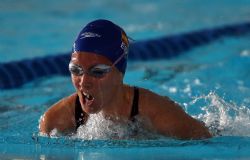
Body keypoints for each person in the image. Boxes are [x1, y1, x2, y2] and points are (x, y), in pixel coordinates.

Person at [39, 19, 212, 140]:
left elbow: (208, 141)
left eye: (98, 71)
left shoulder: (158, 114)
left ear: (120, 72)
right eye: (76, 70)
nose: (84, 82)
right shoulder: (55, 121)